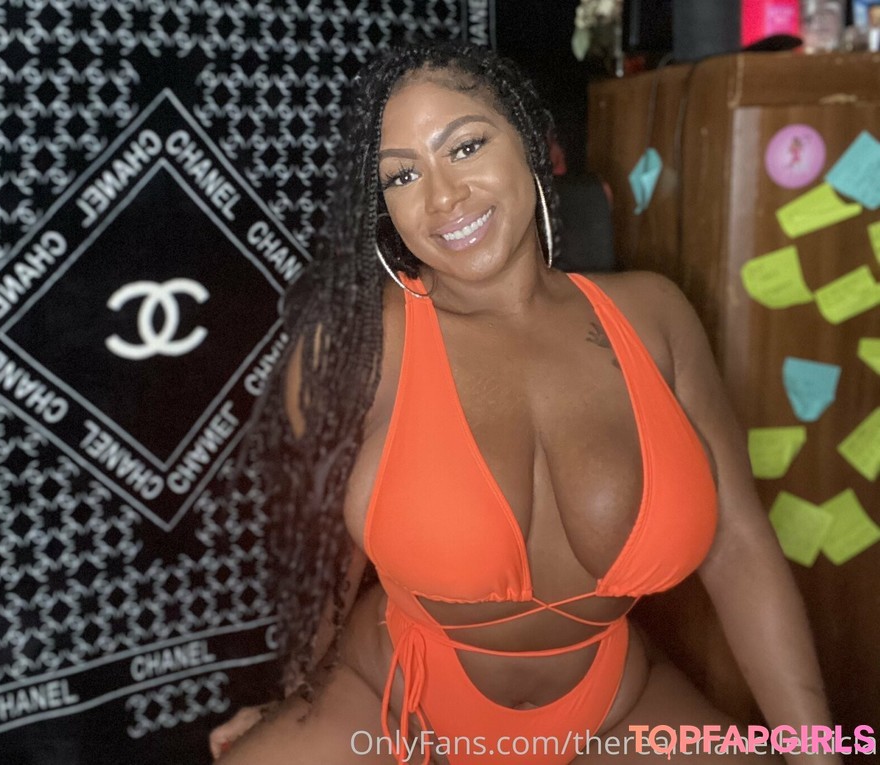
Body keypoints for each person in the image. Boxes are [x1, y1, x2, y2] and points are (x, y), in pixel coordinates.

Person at [209, 41, 836, 764]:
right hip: (392, 700)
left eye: (466, 146)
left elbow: (738, 545)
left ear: (536, 144)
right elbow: (326, 568)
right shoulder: (354, 347)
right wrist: (294, 700)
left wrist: (817, 749)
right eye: (403, 175)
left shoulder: (655, 316)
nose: (443, 197)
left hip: (612, 706)